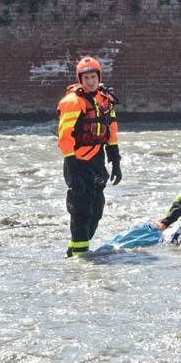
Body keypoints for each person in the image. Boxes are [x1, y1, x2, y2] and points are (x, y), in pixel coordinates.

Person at [57, 56, 122, 257]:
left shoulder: (105, 99)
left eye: (93, 77)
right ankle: (79, 255)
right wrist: (73, 171)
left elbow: (111, 129)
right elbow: (64, 138)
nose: (90, 81)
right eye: (86, 78)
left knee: (97, 208)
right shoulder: (72, 102)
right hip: (76, 161)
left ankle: (76, 249)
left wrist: (116, 160)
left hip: (97, 160)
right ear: (80, 79)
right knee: (81, 209)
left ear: (99, 77)